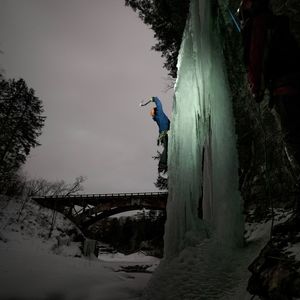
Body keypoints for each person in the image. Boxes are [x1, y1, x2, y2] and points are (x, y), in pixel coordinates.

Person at [150, 96, 170, 173]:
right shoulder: (158, 116)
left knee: (167, 149)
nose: (151, 113)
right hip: (165, 134)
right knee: (167, 149)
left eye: (151, 111)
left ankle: (163, 166)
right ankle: (164, 165)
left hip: (165, 133)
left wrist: (154, 99)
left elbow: (159, 104)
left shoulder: (159, 114)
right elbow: (159, 104)